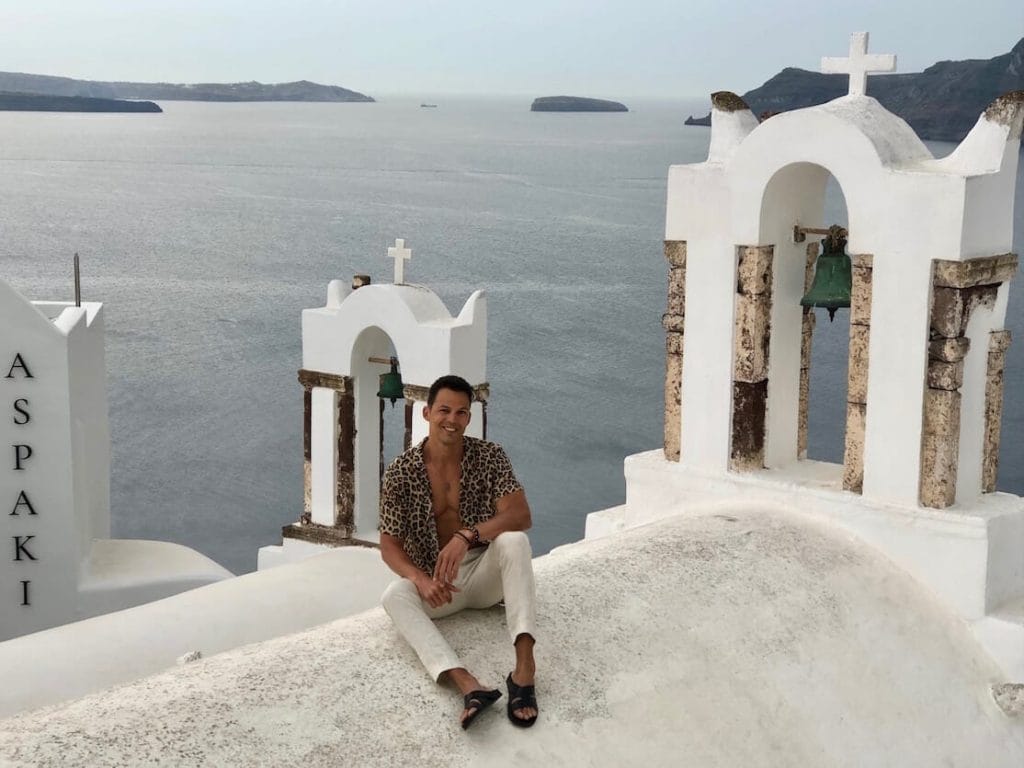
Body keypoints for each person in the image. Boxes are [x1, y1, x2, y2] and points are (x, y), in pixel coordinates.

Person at [379, 374, 539, 730]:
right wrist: (420, 580)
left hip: (483, 573)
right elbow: (389, 546)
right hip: (439, 587)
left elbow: (520, 515)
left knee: (514, 541)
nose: (451, 420)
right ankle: (468, 685)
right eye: (444, 410)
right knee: (394, 596)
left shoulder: (489, 456)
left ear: (469, 417)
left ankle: (524, 670)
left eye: (461, 412)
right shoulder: (401, 472)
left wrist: (467, 535)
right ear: (427, 413)